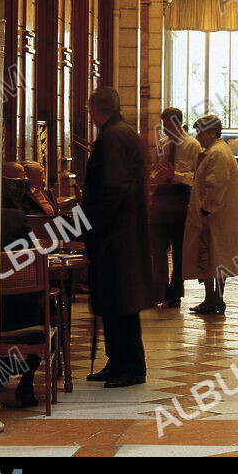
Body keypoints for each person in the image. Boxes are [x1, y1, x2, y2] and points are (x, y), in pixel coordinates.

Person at [82, 87, 155, 387]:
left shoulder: (111, 137)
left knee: (120, 302)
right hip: (124, 234)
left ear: (96, 110)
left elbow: (112, 189)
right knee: (117, 302)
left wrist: (92, 227)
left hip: (115, 236)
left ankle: (130, 367)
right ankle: (118, 362)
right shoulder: (125, 132)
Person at [182, 114, 238, 314]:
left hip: (214, 217)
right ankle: (212, 298)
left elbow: (216, 184)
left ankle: (214, 298)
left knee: (214, 258)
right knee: (214, 259)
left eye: (201, 132)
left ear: (212, 132)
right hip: (217, 216)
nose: (198, 136)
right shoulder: (216, 150)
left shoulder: (217, 153)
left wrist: (205, 209)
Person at [0, 163, 42, 408]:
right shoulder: (16, 217)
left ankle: (3, 369)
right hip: (25, 311)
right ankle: (26, 381)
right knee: (50, 310)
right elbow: (34, 253)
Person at [150, 107, 201, 307]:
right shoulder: (162, 144)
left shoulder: (193, 146)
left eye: (170, 126)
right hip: (162, 197)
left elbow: (196, 178)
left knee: (180, 248)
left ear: (179, 124)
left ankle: (175, 292)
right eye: (164, 126)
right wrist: (157, 175)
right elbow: (156, 169)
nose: (166, 130)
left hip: (181, 198)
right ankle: (159, 289)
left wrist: (175, 175)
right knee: (158, 246)